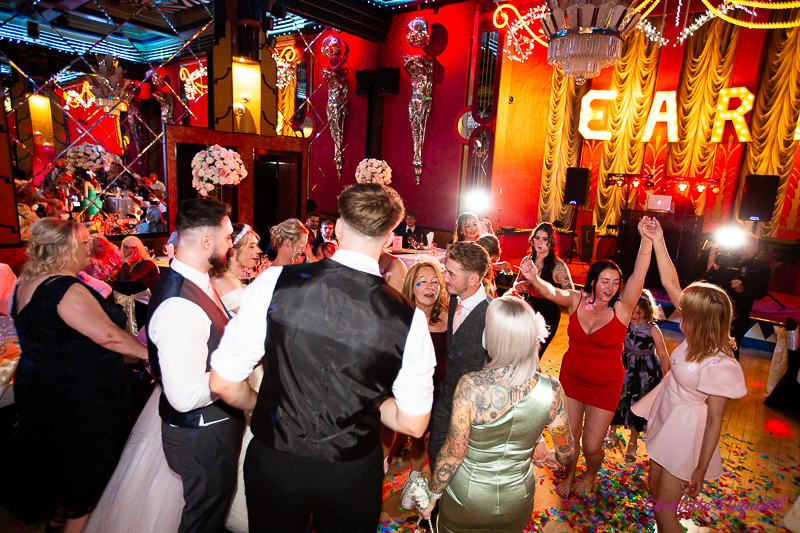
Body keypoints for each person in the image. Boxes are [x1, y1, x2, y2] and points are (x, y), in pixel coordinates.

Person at [209, 183, 436, 533]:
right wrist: (368, 399)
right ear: (390, 237)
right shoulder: (409, 318)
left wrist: (261, 402)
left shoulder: (274, 281)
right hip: (351, 471)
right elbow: (414, 424)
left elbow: (223, 382)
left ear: (339, 228)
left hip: (276, 460)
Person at [11, 218, 147, 533]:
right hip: (78, 396)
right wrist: (155, 357)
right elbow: (109, 337)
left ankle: (58, 520)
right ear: (63, 249)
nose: (90, 247)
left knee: (64, 467)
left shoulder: (26, 283)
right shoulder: (62, 288)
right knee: (89, 478)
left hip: (41, 390)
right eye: (83, 242)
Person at [518, 217, 653, 497]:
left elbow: (639, 276)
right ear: (592, 282)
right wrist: (532, 278)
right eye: (605, 281)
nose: (611, 287)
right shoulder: (576, 300)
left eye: (615, 283)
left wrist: (647, 242)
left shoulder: (623, 308)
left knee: (592, 445)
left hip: (604, 386)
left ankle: (590, 473)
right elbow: (552, 291)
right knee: (569, 439)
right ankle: (568, 475)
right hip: (571, 379)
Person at [418, 295, 575, 532]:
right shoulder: (551, 388)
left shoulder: (470, 386)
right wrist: (554, 457)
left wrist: (432, 493)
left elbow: (454, 452)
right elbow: (567, 452)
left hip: (468, 498)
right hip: (518, 499)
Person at [634, 219, 747, 533]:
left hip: (684, 438)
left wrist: (699, 468)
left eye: (687, 316)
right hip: (667, 420)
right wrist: (658, 239)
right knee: (654, 492)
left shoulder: (719, 363)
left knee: (665, 513)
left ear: (705, 322)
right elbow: (672, 283)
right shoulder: (698, 336)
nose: (679, 317)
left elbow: (714, 421)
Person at [146, 199, 246, 533]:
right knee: (202, 523)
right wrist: (238, 368)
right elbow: (185, 396)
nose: (232, 246)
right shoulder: (179, 306)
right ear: (206, 241)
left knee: (209, 516)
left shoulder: (196, 279)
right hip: (201, 435)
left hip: (211, 429)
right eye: (228, 237)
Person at [427, 241, 491, 470]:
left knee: (461, 467)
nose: (444, 277)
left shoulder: (491, 316)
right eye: (445, 270)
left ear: (473, 279)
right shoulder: (454, 298)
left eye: (451, 274)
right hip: (445, 398)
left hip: (471, 412)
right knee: (435, 453)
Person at [398, 261, 449, 510]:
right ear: (412, 287)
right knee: (416, 436)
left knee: (433, 438)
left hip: (441, 386)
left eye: (435, 281)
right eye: (422, 282)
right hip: (410, 384)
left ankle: (424, 483)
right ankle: (414, 478)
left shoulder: (449, 315)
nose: (430, 287)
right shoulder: (401, 315)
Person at [604, 289, 670, 463]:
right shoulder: (624, 323)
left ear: (646, 311)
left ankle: (633, 442)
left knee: (639, 404)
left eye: (639, 312)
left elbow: (663, 354)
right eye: (632, 310)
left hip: (646, 372)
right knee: (619, 399)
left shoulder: (652, 328)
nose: (634, 315)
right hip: (625, 366)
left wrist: (668, 377)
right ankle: (611, 431)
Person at [702, 232, 771, 359]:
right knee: (707, 346)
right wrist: (716, 267)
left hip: (738, 315)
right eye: (742, 247)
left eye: (748, 247)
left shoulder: (762, 269)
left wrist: (743, 289)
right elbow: (706, 281)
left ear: (756, 249)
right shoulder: (726, 261)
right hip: (716, 311)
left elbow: (761, 292)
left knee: (731, 350)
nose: (743, 251)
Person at [513, 223, 574, 355]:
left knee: (535, 356)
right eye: (537, 238)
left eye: (545, 239)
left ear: (551, 242)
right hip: (529, 310)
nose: (540, 242)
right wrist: (521, 286)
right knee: (522, 355)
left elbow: (571, 294)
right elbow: (516, 285)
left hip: (548, 313)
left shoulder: (558, 266)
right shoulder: (527, 260)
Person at [211, 224, 262, 313]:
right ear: (233, 251)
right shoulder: (220, 281)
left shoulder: (234, 278)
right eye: (251, 247)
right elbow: (254, 315)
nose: (259, 251)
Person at [113, 236, 160, 331]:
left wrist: (126, 262)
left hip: (148, 305)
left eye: (133, 247)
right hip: (134, 305)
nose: (130, 250)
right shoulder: (128, 265)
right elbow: (119, 281)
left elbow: (127, 280)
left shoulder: (146, 264)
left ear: (139, 248)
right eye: (126, 247)